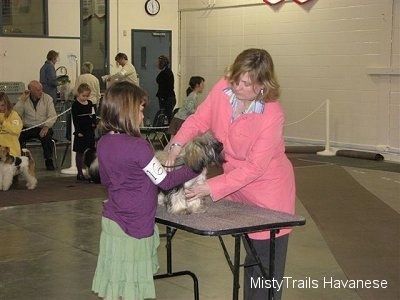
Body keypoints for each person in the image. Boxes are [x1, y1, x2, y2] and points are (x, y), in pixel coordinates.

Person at [166, 48, 295, 300]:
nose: (237, 86)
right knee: (248, 265)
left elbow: (255, 167)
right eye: (236, 79)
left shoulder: (272, 114)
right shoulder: (222, 89)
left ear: (262, 85)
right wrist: (177, 144)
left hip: (269, 197)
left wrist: (209, 188)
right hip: (235, 191)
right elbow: (198, 119)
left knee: (264, 275)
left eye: (246, 83)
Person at [91, 81, 200, 300]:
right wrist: (194, 168)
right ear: (127, 111)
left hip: (112, 223)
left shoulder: (102, 143)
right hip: (135, 226)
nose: (143, 116)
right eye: (140, 110)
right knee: (133, 289)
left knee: (118, 285)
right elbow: (166, 182)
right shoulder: (138, 146)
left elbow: (105, 179)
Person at [14, 80, 57, 171]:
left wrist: (46, 126)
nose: (40, 91)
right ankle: (20, 160)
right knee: (17, 136)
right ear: (30, 90)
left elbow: (52, 115)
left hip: (43, 126)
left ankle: (48, 160)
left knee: (47, 136)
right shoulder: (23, 99)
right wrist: (22, 100)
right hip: (28, 127)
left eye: (41, 89)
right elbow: (16, 114)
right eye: (37, 90)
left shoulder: (48, 98)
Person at [71, 83, 97, 181]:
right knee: (80, 152)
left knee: (90, 152)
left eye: (87, 96)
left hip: (90, 130)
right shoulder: (75, 105)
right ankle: (80, 173)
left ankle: (91, 172)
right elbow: (75, 120)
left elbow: (94, 115)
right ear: (78, 94)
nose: (85, 98)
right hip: (81, 131)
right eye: (83, 96)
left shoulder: (90, 103)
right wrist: (78, 131)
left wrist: (94, 123)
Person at [0, 92, 23, 156]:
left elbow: (16, 130)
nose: (0, 108)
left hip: (12, 151)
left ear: (7, 104)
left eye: (2, 105)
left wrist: (3, 123)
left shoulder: (14, 115)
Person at [156, 55, 176, 122]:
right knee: (165, 115)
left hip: (167, 98)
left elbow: (169, 87)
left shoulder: (167, 73)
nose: (157, 63)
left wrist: (163, 97)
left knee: (167, 115)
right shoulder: (164, 72)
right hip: (165, 97)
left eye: (158, 62)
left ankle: (168, 130)